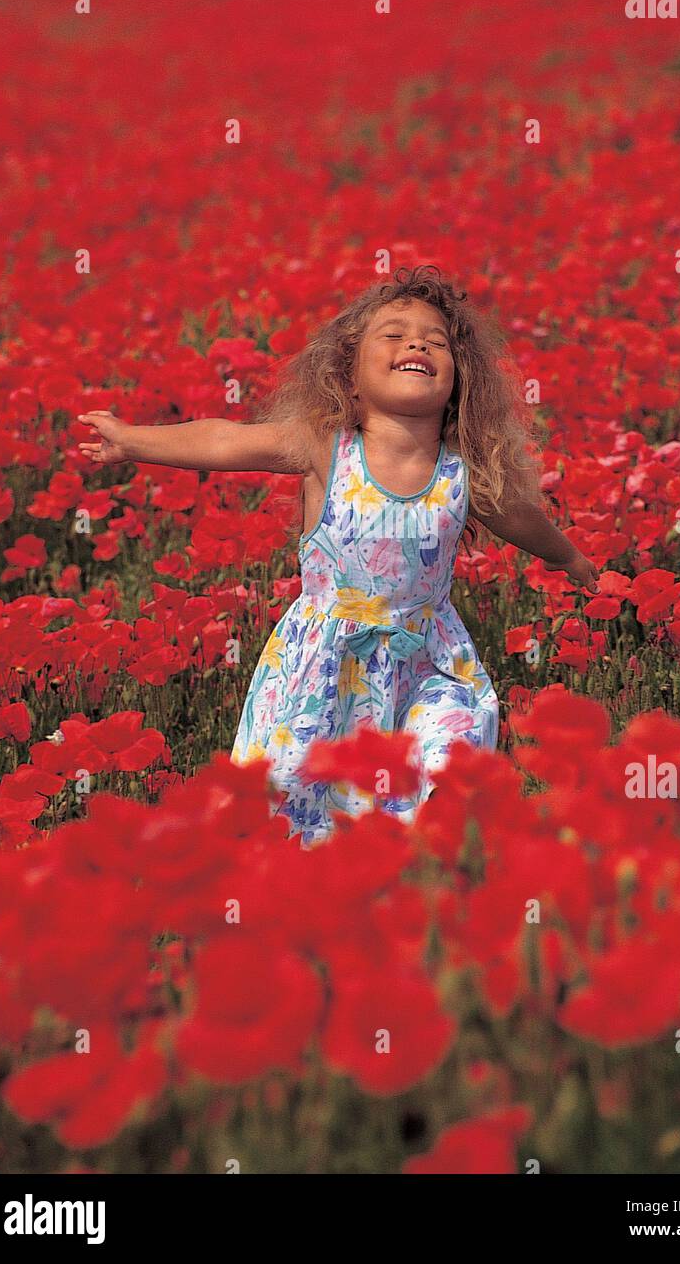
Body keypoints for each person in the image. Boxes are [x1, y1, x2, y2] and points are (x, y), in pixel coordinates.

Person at [78, 264, 597, 847]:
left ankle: (426, 868)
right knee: (300, 806)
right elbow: (226, 438)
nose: (417, 343)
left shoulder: (463, 470)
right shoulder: (328, 447)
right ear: (348, 376)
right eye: (394, 334)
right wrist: (132, 441)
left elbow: (521, 516)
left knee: (447, 762)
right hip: (322, 664)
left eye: (436, 340)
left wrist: (570, 559)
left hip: (428, 663)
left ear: (461, 381)